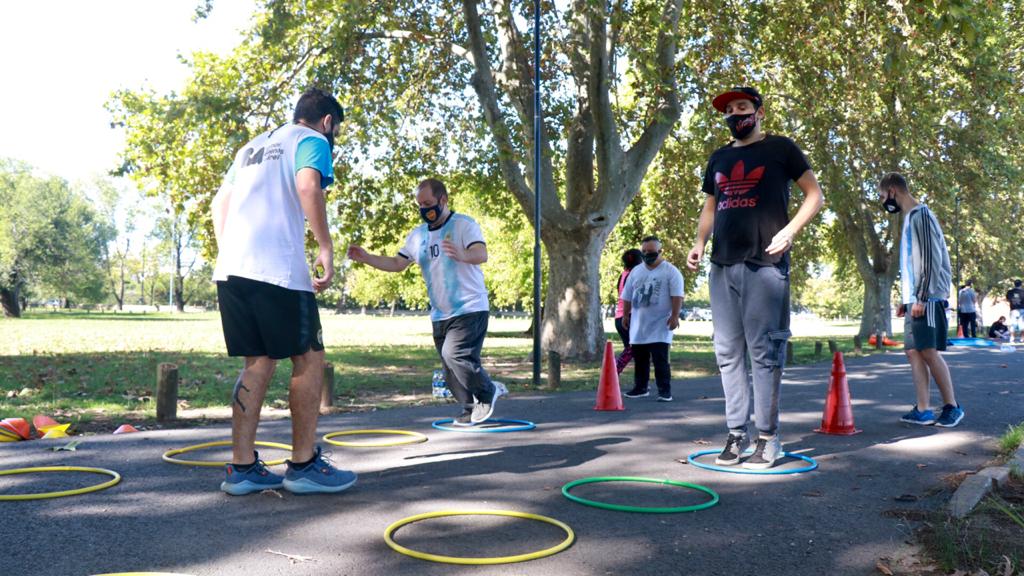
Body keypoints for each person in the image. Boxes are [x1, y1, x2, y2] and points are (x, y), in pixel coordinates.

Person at [211, 88, 356, 495]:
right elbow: (309, 187)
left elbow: (218, 205)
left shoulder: (250, 148)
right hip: (277, 270)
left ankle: (241, 470)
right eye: (336, 131)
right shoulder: (311, 140)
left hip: (233, 269)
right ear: (327, 121)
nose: (334, 138)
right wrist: (325, 246)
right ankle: (304, 465)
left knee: (256, 362)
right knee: (309, 358)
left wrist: (235, 254)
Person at [686, 86, 824, 469]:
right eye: (728, 110)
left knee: (764, 354)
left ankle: (768, 437)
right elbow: (710, 206)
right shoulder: (718, 157)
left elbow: (814, 195)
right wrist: (699, 242)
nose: (735, 114)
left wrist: (791, 230)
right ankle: (736, 434)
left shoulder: (781, 149)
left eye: (742, 107)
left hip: (765, 266)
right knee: (727, 352)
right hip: (722, 265)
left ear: (759, 112)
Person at [347, 178, 507, 426]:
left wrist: (463, 254)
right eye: (420, 205)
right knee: (449, 369)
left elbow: (481, 253)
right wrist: (367, 258)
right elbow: (397, 264)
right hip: (440, 313)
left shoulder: (464, 225)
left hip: (470, 307)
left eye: (429, 203)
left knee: (455, 354)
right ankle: (468, 408)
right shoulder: (417, 236)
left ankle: (487, 392)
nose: (424, 209)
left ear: (443, 200)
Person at [880, 172, 964, 428]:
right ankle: (923, 409)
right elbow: (910, 263)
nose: (883, 201)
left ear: (893, 191)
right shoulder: (910, 218)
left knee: (927, 350)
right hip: (914, 298)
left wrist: (922, 297)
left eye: (883, 196)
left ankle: (952, 407)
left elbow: (929, 258)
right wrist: (905, 299)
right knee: (913, 351)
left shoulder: (922, 215)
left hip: (927, 298)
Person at [621, 237, 684, 402]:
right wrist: (626, 314)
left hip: (661, 324)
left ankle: (664, 391)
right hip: (639, 324)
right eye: (644, 252)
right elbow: (627, 296)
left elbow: (677, 295)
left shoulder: (670, 271)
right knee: (640, 359)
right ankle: (640, 388)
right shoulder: (636, 271)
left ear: (660, 252)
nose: (647, 254)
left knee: (660, 359)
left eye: (651, 251)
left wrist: (675, 316)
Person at [614, 249, 644, 374]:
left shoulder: (623, 275)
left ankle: (614, 370)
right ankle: (613, 370)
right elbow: (632, 298)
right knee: (633, 349)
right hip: (628, 317)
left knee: (632, 350)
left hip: (619, 317)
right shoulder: (634, 276)